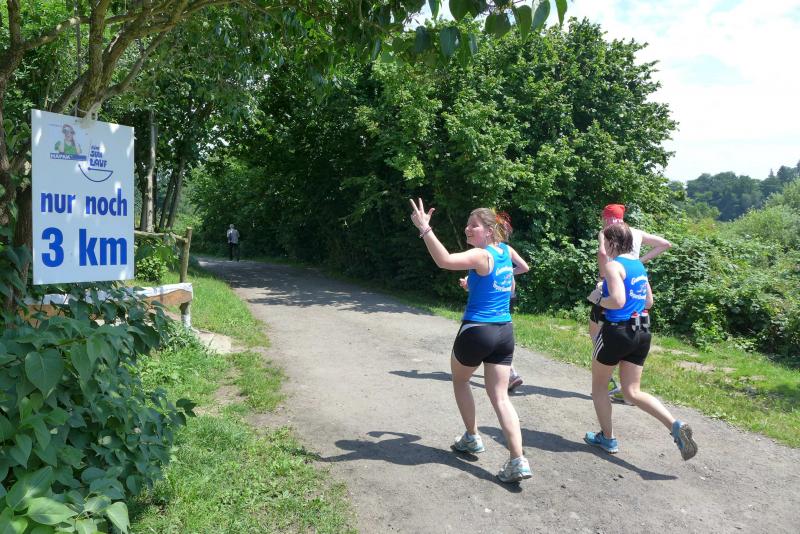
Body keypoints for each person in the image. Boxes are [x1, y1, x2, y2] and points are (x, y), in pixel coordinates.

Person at [410, 199, 532, 483]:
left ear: (489, 230)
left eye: (473, 225)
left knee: (460, 380)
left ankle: (472, 437)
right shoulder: (505, 251)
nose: (467, 229)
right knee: (500, 397)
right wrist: (475, 283)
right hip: (504, 332)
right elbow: (519, 270)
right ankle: (518, 460)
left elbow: (444, 260)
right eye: (467, 224)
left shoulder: (481, 255)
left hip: (477, 331)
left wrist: (425, 229)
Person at [584, 222, 697, 461]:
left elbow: (617, 301)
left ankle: (607, 438)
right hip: (642, 331)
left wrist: (598, 298)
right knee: (632, 391)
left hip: (617, 332)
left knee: (599, 388)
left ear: (613, 243)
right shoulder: (638, 265)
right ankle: (675, 425)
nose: (603, 247)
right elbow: (649, 302)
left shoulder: (614, 266)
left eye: (604, 242)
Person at [591, 204, 672, 400]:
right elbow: (665, 244)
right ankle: (626, 387)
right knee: (634, 326)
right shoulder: (635, 232)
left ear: (607, 218)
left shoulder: (608, 232)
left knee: (597, 331)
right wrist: (640, 260)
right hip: (636, 279)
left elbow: (602, 253)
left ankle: (606, 379)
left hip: (615, 280)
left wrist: (603, 277)